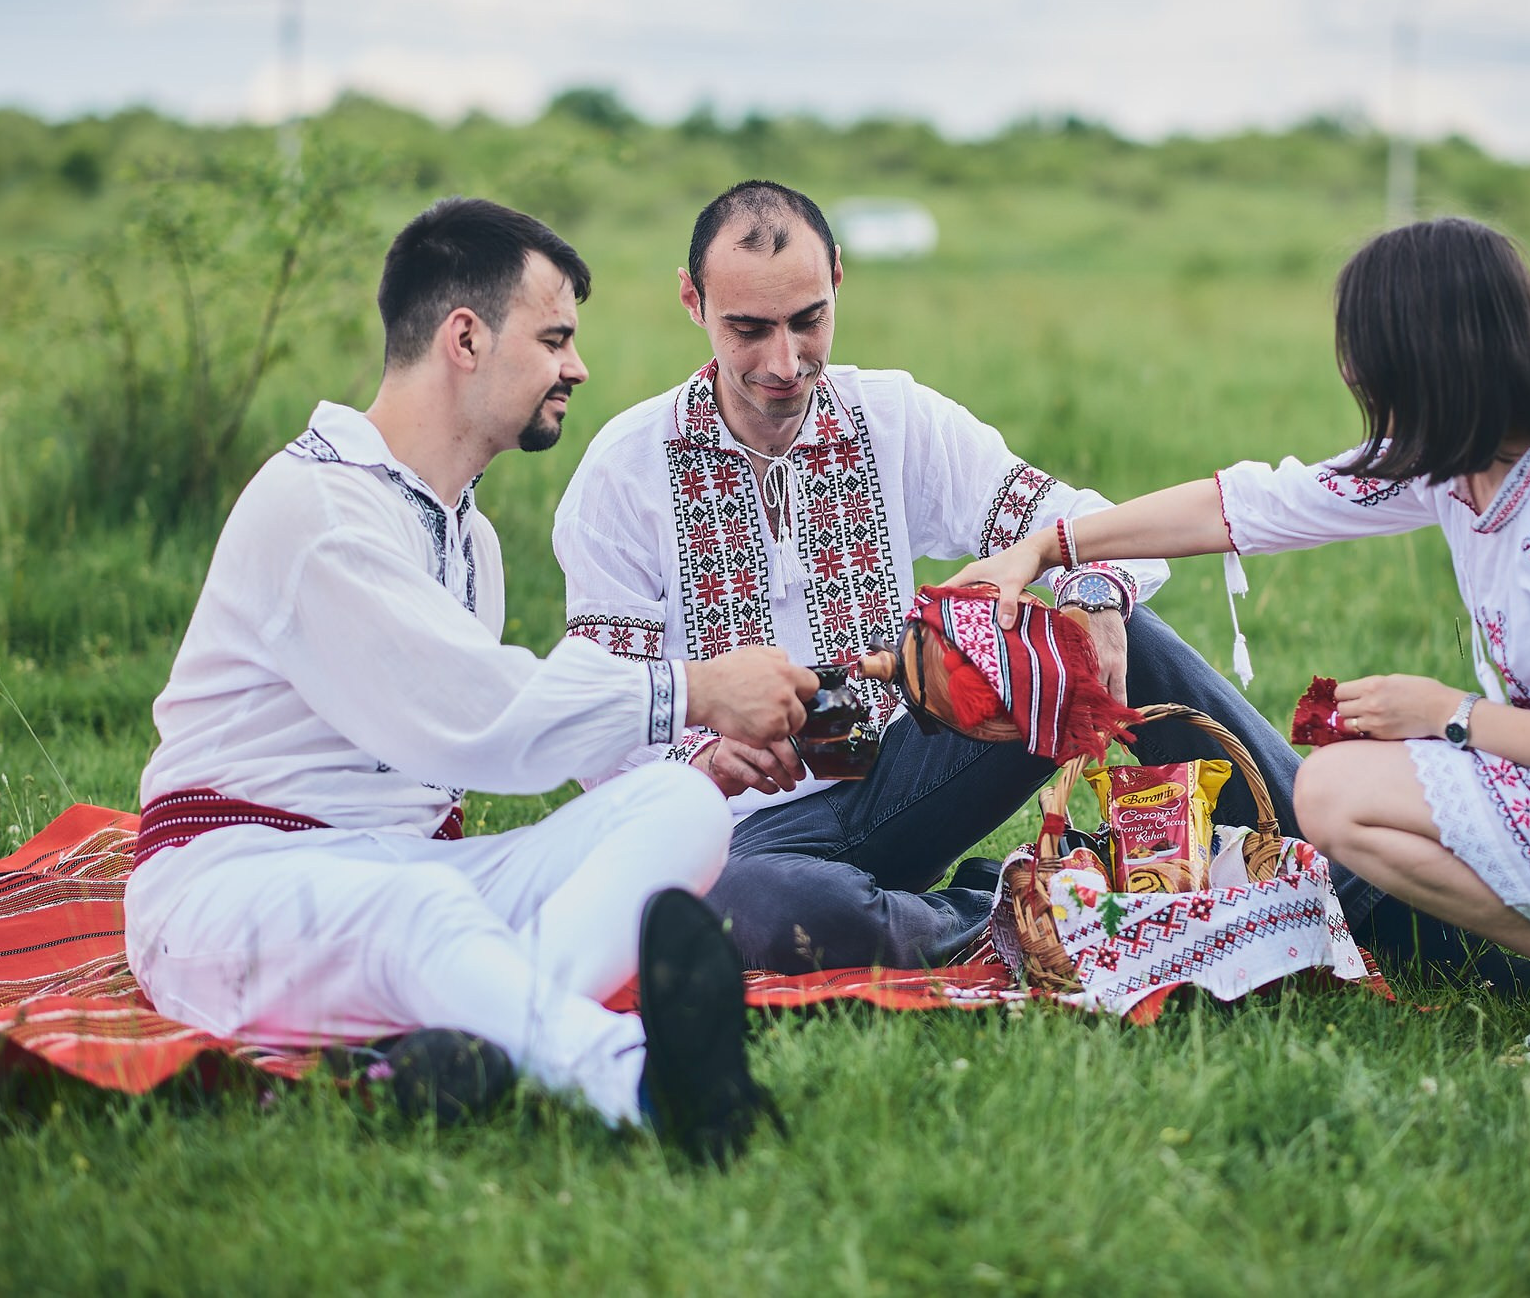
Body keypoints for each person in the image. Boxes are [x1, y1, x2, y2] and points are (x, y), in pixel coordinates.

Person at [948, 217, 1530, 1063]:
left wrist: (1448, 715)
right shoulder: (1463, 465)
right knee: (1336, 791)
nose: (1355, 376)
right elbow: (1256, 503)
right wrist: (1049, 544)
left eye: (1367, 356)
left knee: (1333, 794)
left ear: (1431, 359)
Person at [125, 197, 817, 1158]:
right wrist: (693, 689)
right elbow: (478, 717)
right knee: (424, 910)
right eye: (555, 337)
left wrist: (698, 745)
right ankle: (642, 1081)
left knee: (680, 804)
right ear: (465, 337)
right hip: (238, 887)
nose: (576, 366)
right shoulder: (319, 506)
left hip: (407, 875)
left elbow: (487, 739)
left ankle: (477, 1047)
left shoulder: (471, 538)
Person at [554, 180, 1333, 974]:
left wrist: (1093, 594)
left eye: (808, 321)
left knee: (1103, 629)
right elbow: (596, 711)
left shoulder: (892, 417)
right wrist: (702, 763)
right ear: (693, 301)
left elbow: (1083, 521)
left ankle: (1352, 879)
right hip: (741, 832)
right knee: (770, 913)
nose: (784, 363)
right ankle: (1044, 906)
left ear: (839, 285)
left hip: (907, 772)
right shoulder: (625, 470)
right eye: (748, 329)